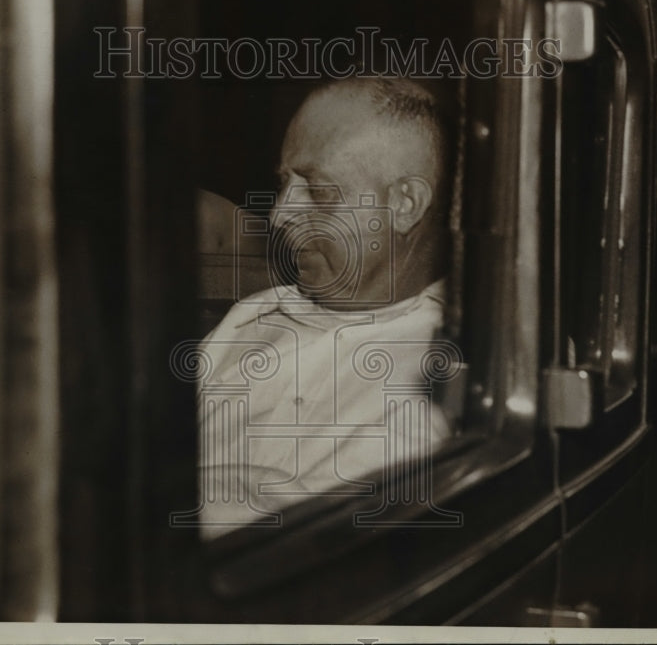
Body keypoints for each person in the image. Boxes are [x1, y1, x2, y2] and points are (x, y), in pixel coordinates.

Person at [192, 77, 458, 540]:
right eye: (284, 184)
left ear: (405, 204)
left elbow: (323, 539)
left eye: (318, 192)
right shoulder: (251, 317)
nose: (279, 214)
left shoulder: (453, 363)